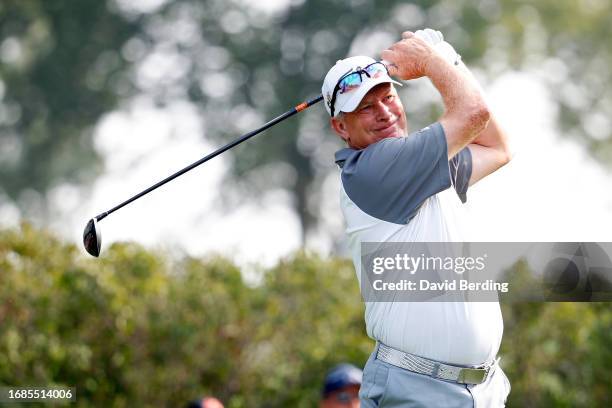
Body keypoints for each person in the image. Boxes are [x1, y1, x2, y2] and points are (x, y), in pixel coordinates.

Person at [322, 28, 512, 407]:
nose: (384, 112)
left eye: (388, 96)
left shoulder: (419, 167)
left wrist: (448, 59)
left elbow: (497, 147)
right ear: (341, 127)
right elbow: (473, 114)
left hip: (482, 390)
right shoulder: (374, 169)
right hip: (419, 390)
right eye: (365, 107)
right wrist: (433, 62)